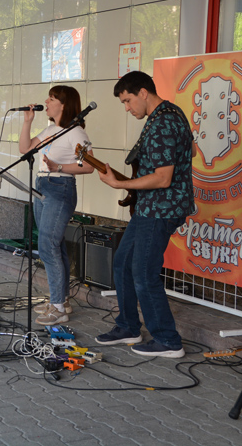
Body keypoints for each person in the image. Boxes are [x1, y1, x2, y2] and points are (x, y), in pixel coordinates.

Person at [95, 71, 194, 359]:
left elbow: (163, 178)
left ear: (143, 92)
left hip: (161, 209)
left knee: (143, 273)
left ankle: (167, 340)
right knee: (123, 262)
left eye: (127, 101)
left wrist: (120, 184)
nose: (127, 108)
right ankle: (128, 327)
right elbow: (188, 153)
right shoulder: (169, 114)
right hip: (150, 207)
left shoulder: (163, 122)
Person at [19, 85, 95, 325]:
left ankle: (58, 307)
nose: (46, 102)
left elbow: (89, 166)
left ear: (64, 104)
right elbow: (25, 149)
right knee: (55, 245)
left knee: (47, 246)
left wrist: (59, 167)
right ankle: (61, 300)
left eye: (51, 99)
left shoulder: (76, 132)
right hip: (42, 186)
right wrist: (27, 121)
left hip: (60, 188)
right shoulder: (51, 129)